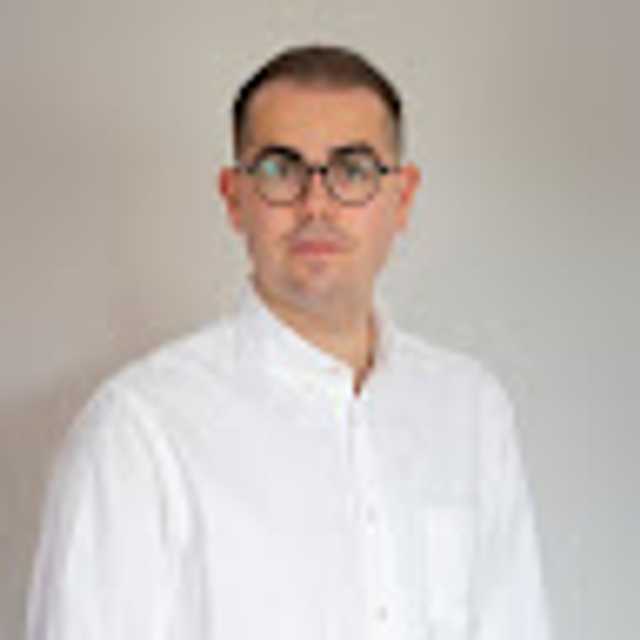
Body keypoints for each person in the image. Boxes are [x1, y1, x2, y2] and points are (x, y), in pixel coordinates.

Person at [28, 45, 552, 639]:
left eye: (352, 170)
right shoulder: (139, 431)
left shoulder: (470, 409)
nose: (316, 204)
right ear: (235, 198)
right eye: (281, 170)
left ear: (402, 198)